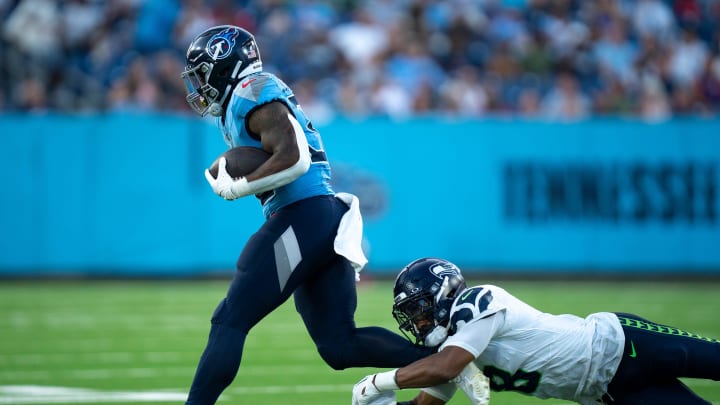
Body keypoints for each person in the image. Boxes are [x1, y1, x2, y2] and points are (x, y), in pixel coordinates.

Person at [180, 25, 433, 405]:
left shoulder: (251, 91)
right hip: (319, 220)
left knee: (229, 319)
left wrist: (240, 184)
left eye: (202, 73)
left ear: (224, 63)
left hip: (304, 216)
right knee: (339, 346)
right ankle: (444, 364)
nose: (199, 86)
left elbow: (295, 158)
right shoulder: (240, 102)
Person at [352, 258, 720, 405]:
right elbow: (427, 402)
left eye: (418, 309)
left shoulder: (477, 301)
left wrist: (376, 384)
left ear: (444, 293)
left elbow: (447, 368)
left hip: (626, 345)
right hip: (607, 391)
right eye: (410, 314)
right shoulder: (452, 347)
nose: (417, 322)